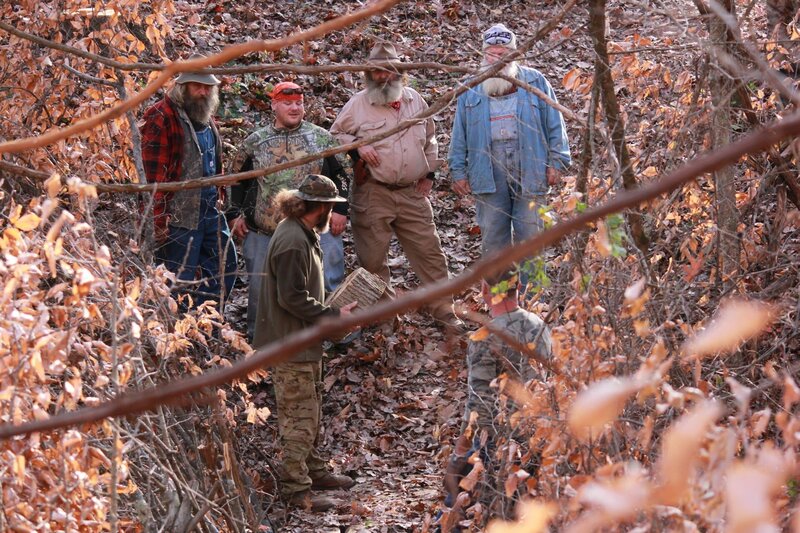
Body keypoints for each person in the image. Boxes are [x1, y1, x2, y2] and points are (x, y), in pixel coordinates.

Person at [330, 42, 462, 333]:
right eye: (376, 71)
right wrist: (358, 148)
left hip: (412, 192)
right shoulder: (358, 104)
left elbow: (430, 138)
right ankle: (387, 317)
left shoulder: (415, 100)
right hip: (373, 191)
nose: (383, 76)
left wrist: (429, 174)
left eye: (389, 70)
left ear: (400, 72)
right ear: (368, 74)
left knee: (431, 254)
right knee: (373, 261)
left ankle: (444, 312)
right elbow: (335, 135)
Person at [253, 174, 358, 512]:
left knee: (309, 411)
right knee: (297, 419)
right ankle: (297, 491)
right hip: (290, 343)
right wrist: (332, 315)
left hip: (304, 340)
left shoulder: (303, 232)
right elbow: (292, 298)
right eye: (331, 206)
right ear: (322, 206)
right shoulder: (291, 241)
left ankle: (313, 471)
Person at [448, 23, 571, 289]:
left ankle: (532, 299)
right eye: (491, 53)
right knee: (493, 238)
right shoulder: (471, 87)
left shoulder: (536, 81)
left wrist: (557, 162)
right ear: (483, 55)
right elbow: (460, 132)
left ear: (515, 55)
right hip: (487, 169)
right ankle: (500, 300)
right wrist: (458, 171)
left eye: (503, 53)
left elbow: (555, 122)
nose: (497, 59)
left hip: (531, 166)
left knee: (530, 235)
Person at [229, 81, 350, 340]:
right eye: (288, 103)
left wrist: (342, 209)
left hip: (318, 229)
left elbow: (344, 174)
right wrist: (235, 214)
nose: (295, 108)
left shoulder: (321, 137)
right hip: (264, 231)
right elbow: (236, 180)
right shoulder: (256, 142)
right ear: (274, 105)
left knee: (325, 281)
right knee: (261, 289)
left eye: (299, 103)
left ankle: (333, 335)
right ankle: (260, 341)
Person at [442, 269, 552, 521]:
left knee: (460, 504)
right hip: (540, 432)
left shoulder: (485, 336)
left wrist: (461, 449)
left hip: (499, 439)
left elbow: (479, 402)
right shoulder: (540, 325)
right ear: (518, 289)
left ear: (485, 292)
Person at [141, 53, 237, 309]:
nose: (203, 92)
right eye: (198, 86)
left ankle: (210, 326)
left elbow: (214, 163)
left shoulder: (203, 116)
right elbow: (154, 179)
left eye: (208, 87)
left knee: (224, 267)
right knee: (177, 282)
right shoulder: (161, 116)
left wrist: (220, 194)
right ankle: (175, 337)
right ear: (182, 86)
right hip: (180, 219)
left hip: (209, 211)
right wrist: (159, 222)